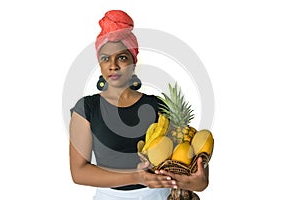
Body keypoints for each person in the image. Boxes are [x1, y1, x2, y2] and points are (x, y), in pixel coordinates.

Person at [69, 10, 209, 200]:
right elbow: (79, 173)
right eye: (105, 59)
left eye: (122, 57)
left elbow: (188, 167)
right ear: (100, 65)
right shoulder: (86, 108)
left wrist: (198, 181)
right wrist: (136, 177)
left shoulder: (159, 106)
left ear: (134, 63)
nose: (113, 65)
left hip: (157, 195)